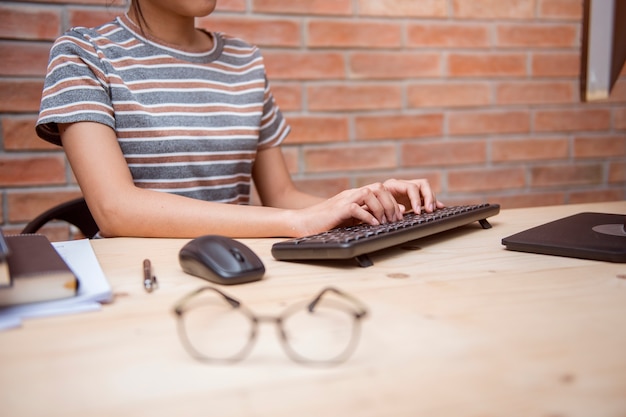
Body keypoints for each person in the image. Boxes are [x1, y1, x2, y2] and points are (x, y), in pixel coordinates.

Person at [36, 0, 444, 239]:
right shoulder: (83, 54)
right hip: (138, 280)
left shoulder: (244, 60)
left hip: (239, 267)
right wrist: (295, 222)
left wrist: (363, 204)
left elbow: (281, 196)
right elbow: (115, 208)